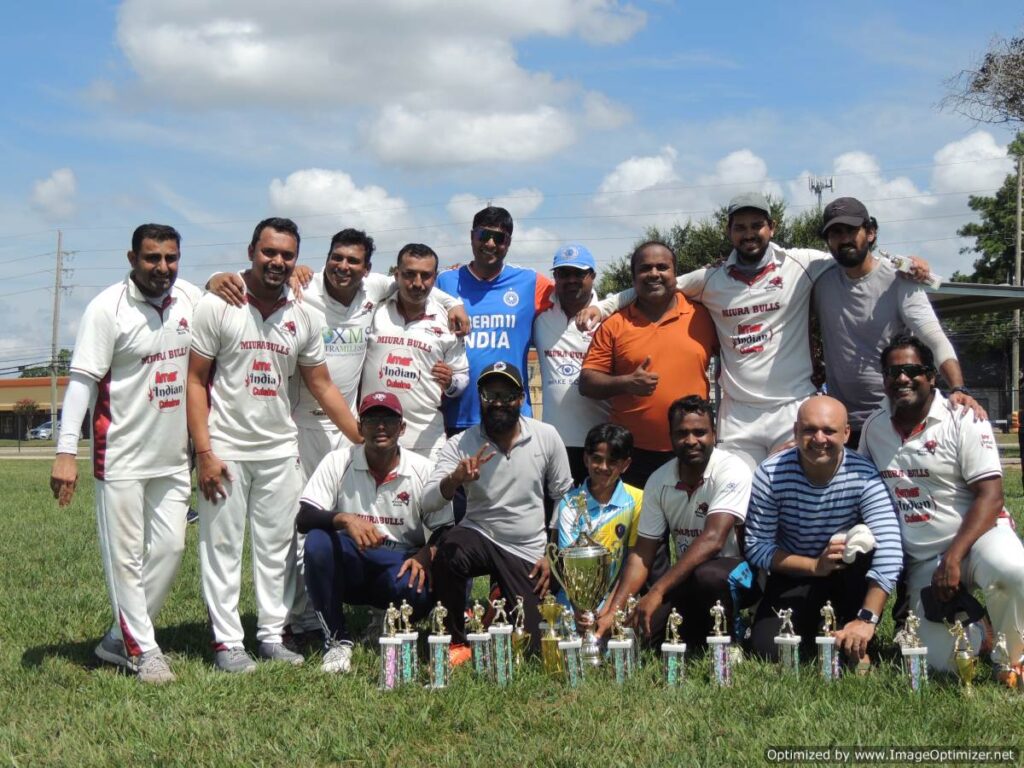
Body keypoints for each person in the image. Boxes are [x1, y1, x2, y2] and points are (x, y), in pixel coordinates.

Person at [584, 192, 934, 471]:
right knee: (737, 508)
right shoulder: (711, 279)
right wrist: (603, 306)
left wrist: (909, 266)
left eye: (757, 225)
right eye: (740, 227)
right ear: (729, 232)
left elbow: (854, 254)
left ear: (772, 227)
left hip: (792, 407)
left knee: (796, 498)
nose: (749, 233)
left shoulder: (803, 263)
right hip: (739, 416)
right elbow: (659, 283)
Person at [186, 217, 361, 673]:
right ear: (251, 251)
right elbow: (195, 380)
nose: (278, 261)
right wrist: (204, 452)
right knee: (222, 547)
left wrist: (362, 438)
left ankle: (270, 635)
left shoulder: (303, 315)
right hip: (224, 449)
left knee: (278, 547)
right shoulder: (217, 304)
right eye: (270, 252)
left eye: (287, 255)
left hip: (280, 449)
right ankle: (227, 642)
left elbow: (321, 385)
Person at [49, 224, 198, 684]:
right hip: (120, 457)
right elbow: (82, 382)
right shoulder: (106, 308)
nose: (163, 268)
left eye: (171, 258)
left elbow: (233, 291)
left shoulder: (190, 299)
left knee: (171, 547)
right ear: (131, 258)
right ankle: (143, 651)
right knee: (125, 558)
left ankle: (118, 637)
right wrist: (65, 451)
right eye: (153, 258)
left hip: (174, 458)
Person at [859, 334, 1024, 671]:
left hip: (981, 538)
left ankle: (1013, 663)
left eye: (912, 369)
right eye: (893, 372)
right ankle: (980, 630)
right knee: (938, 664)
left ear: (932, 376)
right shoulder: (874, 429)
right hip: (925, 559)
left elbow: (991, 495)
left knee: (1012, 571)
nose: (902, 378)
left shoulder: (962, 417)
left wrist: (953, 557)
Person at [423, 361, 574, 661]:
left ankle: (498, 599)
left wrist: (551, 552)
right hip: (480, 533)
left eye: (507, 395)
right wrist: (455, 480)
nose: (498, 403)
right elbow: (427, 501)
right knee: (449, 551)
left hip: (527, 547)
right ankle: (455, 641)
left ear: (521, 398)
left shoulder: (546, 436)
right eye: (491, 395)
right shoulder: (461, 444)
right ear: (480, 397)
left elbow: (564, 497)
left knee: (531, 646)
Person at [296, 392, 453, 673]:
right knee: (318, 542)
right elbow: (304, 518)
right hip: (353, 559)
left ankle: (388, 619)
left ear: (402, 428)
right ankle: (337, 641)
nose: (380, 426)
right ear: (359, 427)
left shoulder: (423, 469)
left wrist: (425, 555)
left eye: (389, 419)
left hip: (398, 561)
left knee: (414, 590)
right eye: (371, 419)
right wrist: (344, 519)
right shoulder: (338, 461)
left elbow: (445, 528)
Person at [744, 396, 903, 663]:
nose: (819, 438)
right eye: (809, 430)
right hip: (794, 572)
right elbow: (757, 546)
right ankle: (817, 624)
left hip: (846, 573)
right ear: (795, 432)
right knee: (769, 650)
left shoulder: (864, 475)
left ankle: (850, 623)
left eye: (829, 430)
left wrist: (867, 618)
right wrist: (814, 566)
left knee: (865, 543)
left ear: (846, 433)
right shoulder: (770, 473)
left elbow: (891, 546)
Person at [813, 197, 984, 443]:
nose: (844, 239)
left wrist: (958, 388)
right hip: (842, 423)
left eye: (852, 230)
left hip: (895, 416)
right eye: (836, 233)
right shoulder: (820, 281)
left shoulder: (900, 279)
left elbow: (934, 338)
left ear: (871, 233)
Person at [435, 207, 617, 435]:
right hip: (456, 415)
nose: (490, 243)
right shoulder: (445, 282)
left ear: (508, 242)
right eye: (483, 235)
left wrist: (600, 307)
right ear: (472, 236)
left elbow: (574, 290)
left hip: (513, 416)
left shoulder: (530, 282)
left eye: (499, 238)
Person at [597, 396, 752, 649]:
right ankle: (698, 631)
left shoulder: (732, 469)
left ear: (714, 434)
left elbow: (713, 541)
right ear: (670, 436)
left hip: (735, 573)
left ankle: (733, 633)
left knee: (708, 575)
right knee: (644, 638)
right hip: (685, 576)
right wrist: (616, 609)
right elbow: (642, 554)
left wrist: (656, 591)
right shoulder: (658, 480)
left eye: (699, 432)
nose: (691, 441)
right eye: (682, 433)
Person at [579, 241, 716, 488]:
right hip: (632, 455)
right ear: (633, 277)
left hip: (691, 449)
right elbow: (587, 383)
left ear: (676, 274)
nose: (654, 274)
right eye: (645, 268)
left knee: (689, 526)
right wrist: (626, 383)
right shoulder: (615, 324)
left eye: (662, 267)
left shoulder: (703, 316)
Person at [360, 244, 469, 458]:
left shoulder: (448, 320)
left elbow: (462, 379)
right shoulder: (374, 310)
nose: (417, 283)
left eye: (425, 276)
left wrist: (450, 383)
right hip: (374, 436)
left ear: (434, 278)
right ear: (396, 274)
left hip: (426, 442)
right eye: (409, 274)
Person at [533, 244, 611, 484]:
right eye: (564, 274)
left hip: (599, 442)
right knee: (556, 516)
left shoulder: (610, 316)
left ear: (593, 277)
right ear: (555, 277)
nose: (571, 280)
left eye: (579, 274)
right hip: (553, 442)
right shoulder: (540, 314)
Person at [550, 423, 643, 611]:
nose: (603, 467)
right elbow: (570, 566)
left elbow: (631, 563)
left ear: (625, 465)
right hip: (574, 598)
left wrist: (611, 610)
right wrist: (581, 609)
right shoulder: (569, 502)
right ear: (585, 459)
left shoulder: (637, 499)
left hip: (617, 597)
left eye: (613, 462)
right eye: (597, 459)